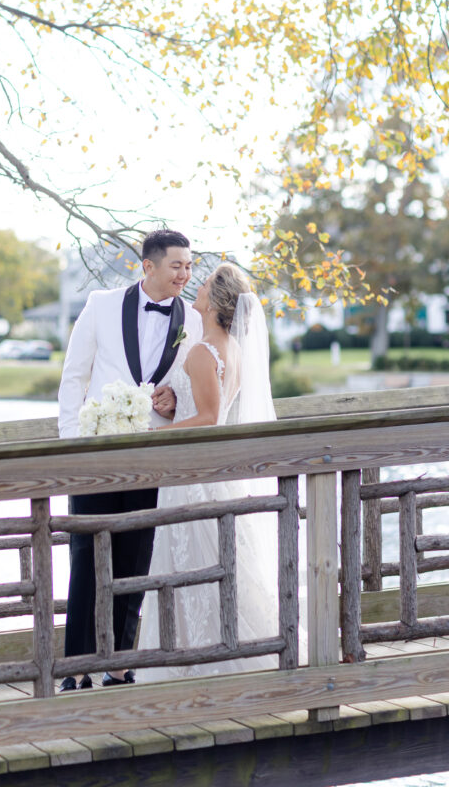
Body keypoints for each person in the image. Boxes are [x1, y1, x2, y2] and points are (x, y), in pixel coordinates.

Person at [57, 229, 203, 691]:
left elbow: (193, 390)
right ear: (149, 266)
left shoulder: (192, 321)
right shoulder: (100, 305)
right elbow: (73, 377)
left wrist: (175, 404)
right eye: (177, 265)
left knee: (136, 559)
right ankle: (74, 667)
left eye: (189, 266)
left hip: (151, 456)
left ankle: (119, 665)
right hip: (95, 454)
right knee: (85, 557)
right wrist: (73, 443)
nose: (185, 274)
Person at [138, 262, 293, 680]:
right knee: (214, 563)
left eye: (204, 284)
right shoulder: (230, 350)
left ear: (216, 300)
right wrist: (172, 409)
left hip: (192, 477)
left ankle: (199, 664)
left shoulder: (205, 351)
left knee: (193, 565)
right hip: (206, 473)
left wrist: (154, 439)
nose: (197, 287)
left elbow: (208, 419)